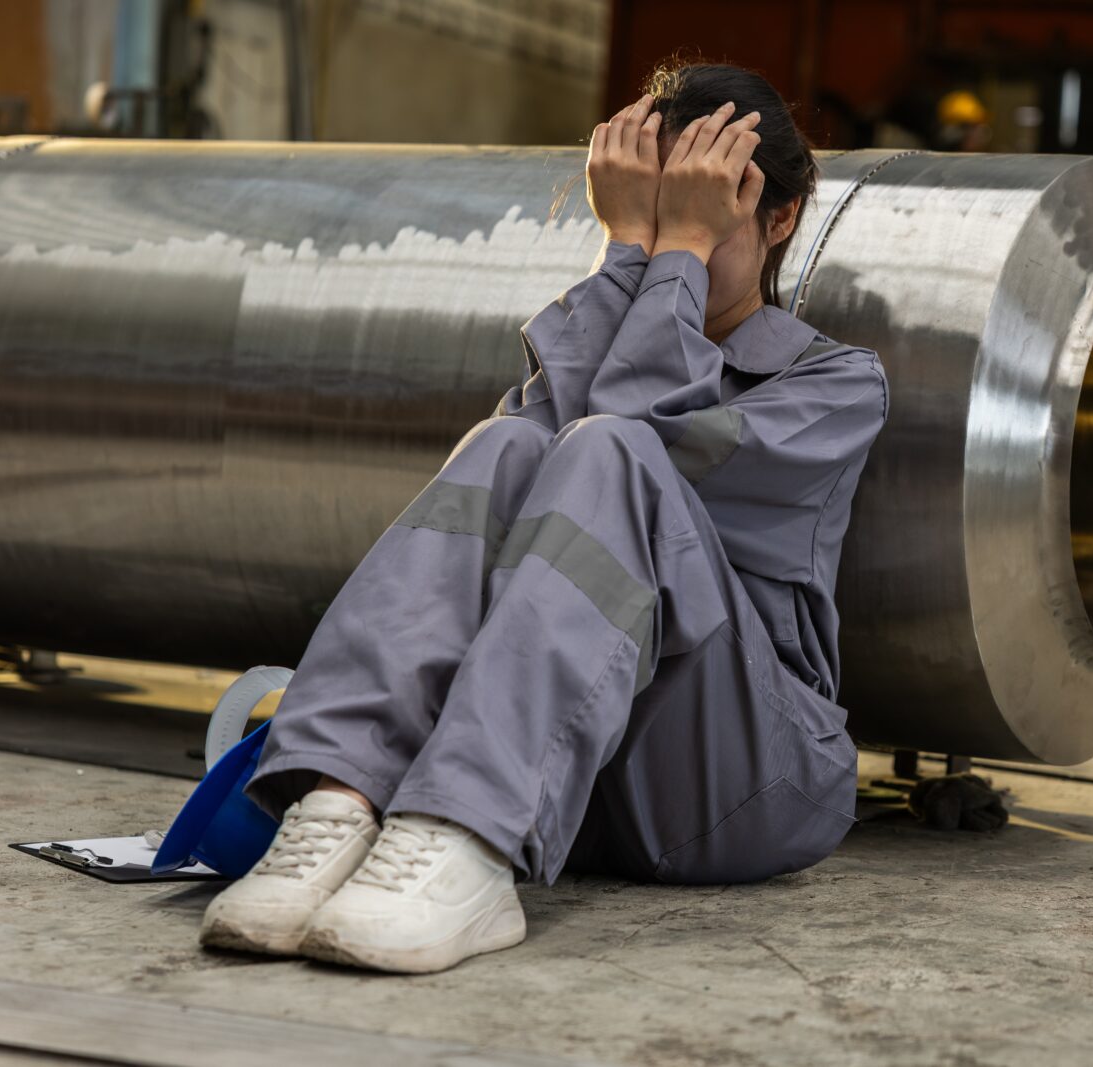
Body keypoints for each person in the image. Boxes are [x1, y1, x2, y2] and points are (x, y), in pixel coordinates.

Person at [196, 62, 887, 975]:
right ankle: (339, 803)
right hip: (571, 778)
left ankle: (466, 835)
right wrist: (626, 257)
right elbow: (548, 440)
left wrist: (670, 255)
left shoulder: (837, 385)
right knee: (505, 444)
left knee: (604, 447)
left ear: (779, 217)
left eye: (702, 211)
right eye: (649, 211)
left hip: (742, 777)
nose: (669, 242)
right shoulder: (619, 308)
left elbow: (640, 438)